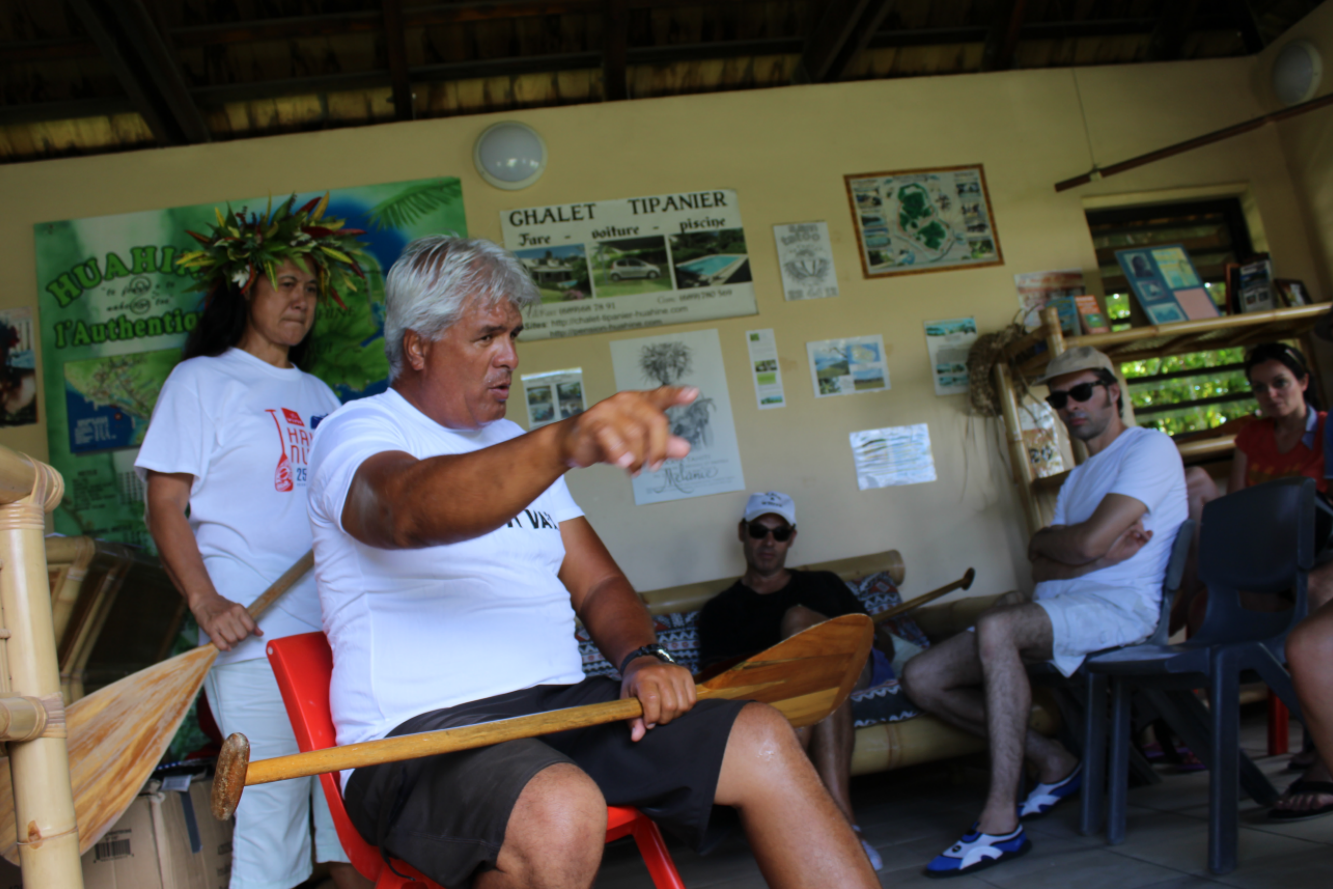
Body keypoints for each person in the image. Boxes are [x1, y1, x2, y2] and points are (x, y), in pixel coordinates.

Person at [306, 236, 879, 889]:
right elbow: (405, 511)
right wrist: (565, 440)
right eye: (487, 336)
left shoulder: (516, 446)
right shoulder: (356, 432)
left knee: (761, 736)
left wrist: (640, 657)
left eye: (514, 335)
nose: (509, 358)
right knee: (558, 807)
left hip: (561, 711)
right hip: (422, 738)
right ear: (417, 346)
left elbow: (599, 580)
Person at [137, 196, 372, 889]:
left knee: (346, 811)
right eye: (287, 283)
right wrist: (207, 602)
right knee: (269, 813)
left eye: (310, 287)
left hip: (335, 633)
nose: (301, 300)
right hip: (251, 634)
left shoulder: (320, 394)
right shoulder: (201, 380)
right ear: (246, 287)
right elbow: (164, 505)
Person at [901, 346, 1187, 878]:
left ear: (1113, 389)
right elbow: (1043, 564)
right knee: (922, 676)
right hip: (1064, 604)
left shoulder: (1150, 449)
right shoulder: (1078, 478)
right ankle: (1055, 760)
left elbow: (1079, 546)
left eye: (1082, 392)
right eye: (1059, 399)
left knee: (999, 624)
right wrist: (1073, 548)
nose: (1070, 406)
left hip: (1119, 609)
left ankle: (1000, 820)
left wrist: (1074, 548)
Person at [697, 491, 896, 872]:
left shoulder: (822, 584)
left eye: (780, 532)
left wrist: (817, 630)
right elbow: (721, 680)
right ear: (742, 532)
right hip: (790, 693)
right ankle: (846, 826)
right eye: (759, 530)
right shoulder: (720, 610)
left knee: (799, 622)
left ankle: (841, 826)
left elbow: (878, 639)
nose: (769, 541)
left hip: (853, 671)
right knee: (813, 684)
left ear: (792, 537)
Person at [1178, 342, 1333, 819]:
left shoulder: (1328, 430)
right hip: (1271, 557)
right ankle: (1186, 729)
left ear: (1303, 382)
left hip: (1322, 554)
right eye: (1260, 387)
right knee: (1211, 608)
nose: (1270, 394)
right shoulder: (1251, 437)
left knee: (1314, 594)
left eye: (1280, 382)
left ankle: (1323, 756)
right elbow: (1242, 504)